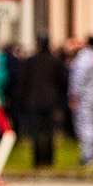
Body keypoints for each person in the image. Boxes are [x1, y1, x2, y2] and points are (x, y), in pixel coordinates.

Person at [16, 37, 62, 167]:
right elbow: (60, 81)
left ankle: (37, 159)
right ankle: (48, 159)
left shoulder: (31, 61)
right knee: (49, 132)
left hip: (34, 101)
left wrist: (23, 99)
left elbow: (24, 81)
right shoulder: (54, 60)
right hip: (50, 100)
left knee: (36, 131)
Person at [68, 37, 93, 169]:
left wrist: (74, 95)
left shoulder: (84, 58)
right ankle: (91, 154)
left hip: (84, 98)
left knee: (85, 125)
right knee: (92, 125)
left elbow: (78, 78)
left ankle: (88, 156)